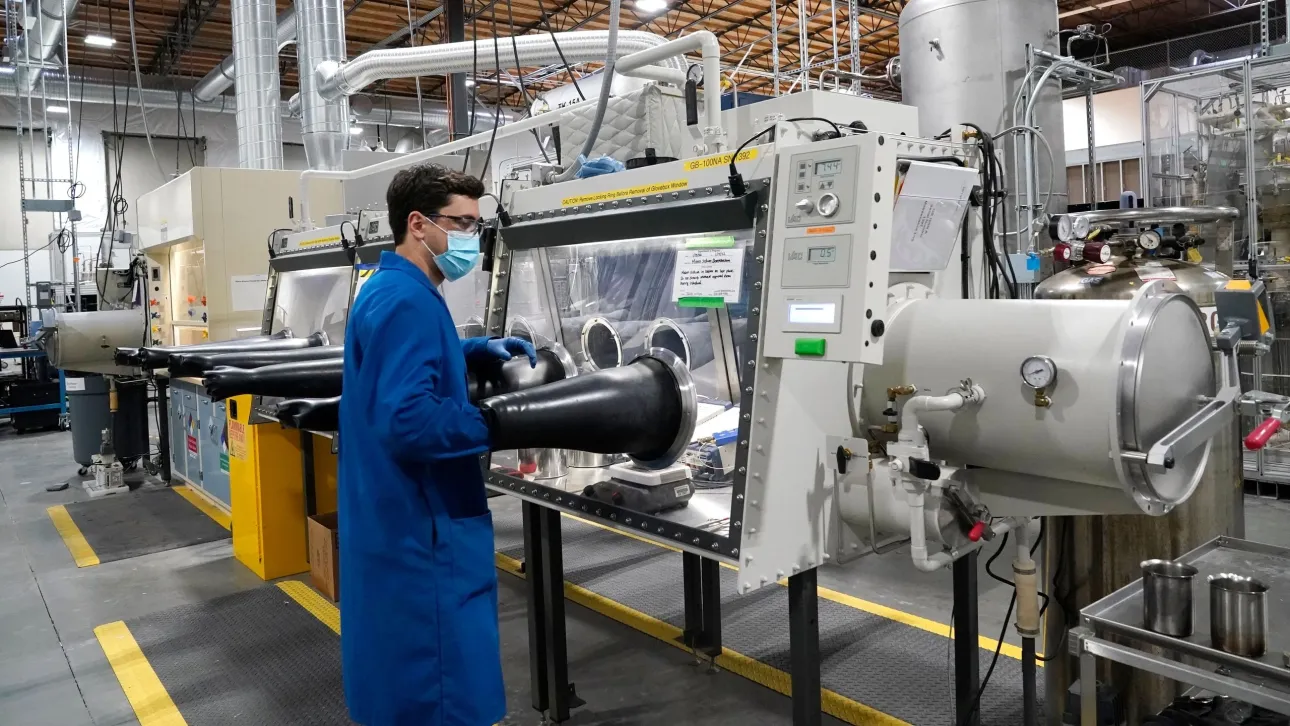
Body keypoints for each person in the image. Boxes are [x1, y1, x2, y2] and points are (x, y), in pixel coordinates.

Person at [338, 163, 535, 726]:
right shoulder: (409, 301)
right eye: (463, 223)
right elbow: (410, 420)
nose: (473, 237)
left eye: (478, 225)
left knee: (397, 682)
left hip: (391, 519)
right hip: (424, 533)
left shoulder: (389, 288)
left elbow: (400, 366)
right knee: (442, 691)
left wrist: (469, 351)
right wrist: (499, 422)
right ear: (418, 224)